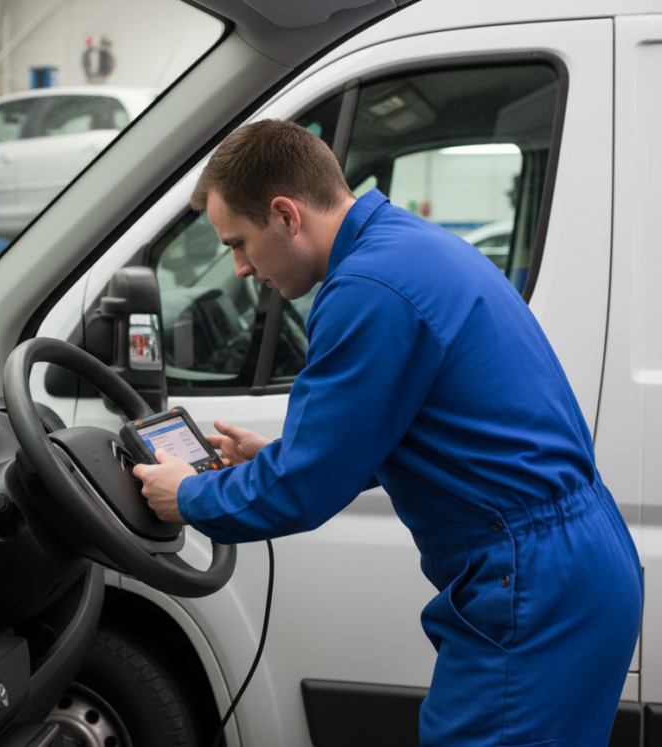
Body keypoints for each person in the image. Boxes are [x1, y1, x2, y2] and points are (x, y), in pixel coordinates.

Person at [132, 119, 643, 746]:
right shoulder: (407, 245)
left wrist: (186, 495)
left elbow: (302, 490)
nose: (238, 268)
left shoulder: (366, 289)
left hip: (535, 581)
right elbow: (411, 423)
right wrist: (280, 456)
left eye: (238, 243)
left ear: (286, 215)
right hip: (578, 560)